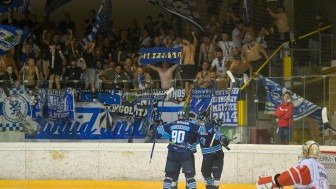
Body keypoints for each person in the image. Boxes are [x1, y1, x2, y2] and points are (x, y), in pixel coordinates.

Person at [150, 109, 203, 189]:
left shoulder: (172, 124)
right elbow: (203, 130)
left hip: (172, 152)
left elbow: (157, 130)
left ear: (178, 116)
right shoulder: (191, 125)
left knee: (168, 176)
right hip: (185, 153)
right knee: (190, 177)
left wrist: (153, 125)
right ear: (185, 116)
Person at [256, 140, 330, 189]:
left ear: (308, 153)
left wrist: (273, 181)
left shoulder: (308, 164)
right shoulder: (321, 167)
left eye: (304, 151)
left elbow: (292, 176)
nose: (302, 153)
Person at [198, 119, 230, 189]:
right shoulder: (198, 129)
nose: (200, 122)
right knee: (205, 174)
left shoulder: (211, 128)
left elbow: (218, 134)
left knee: (216, 176)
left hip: (216, 156)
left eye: (202, 121)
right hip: (207, 157)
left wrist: (223, 138)